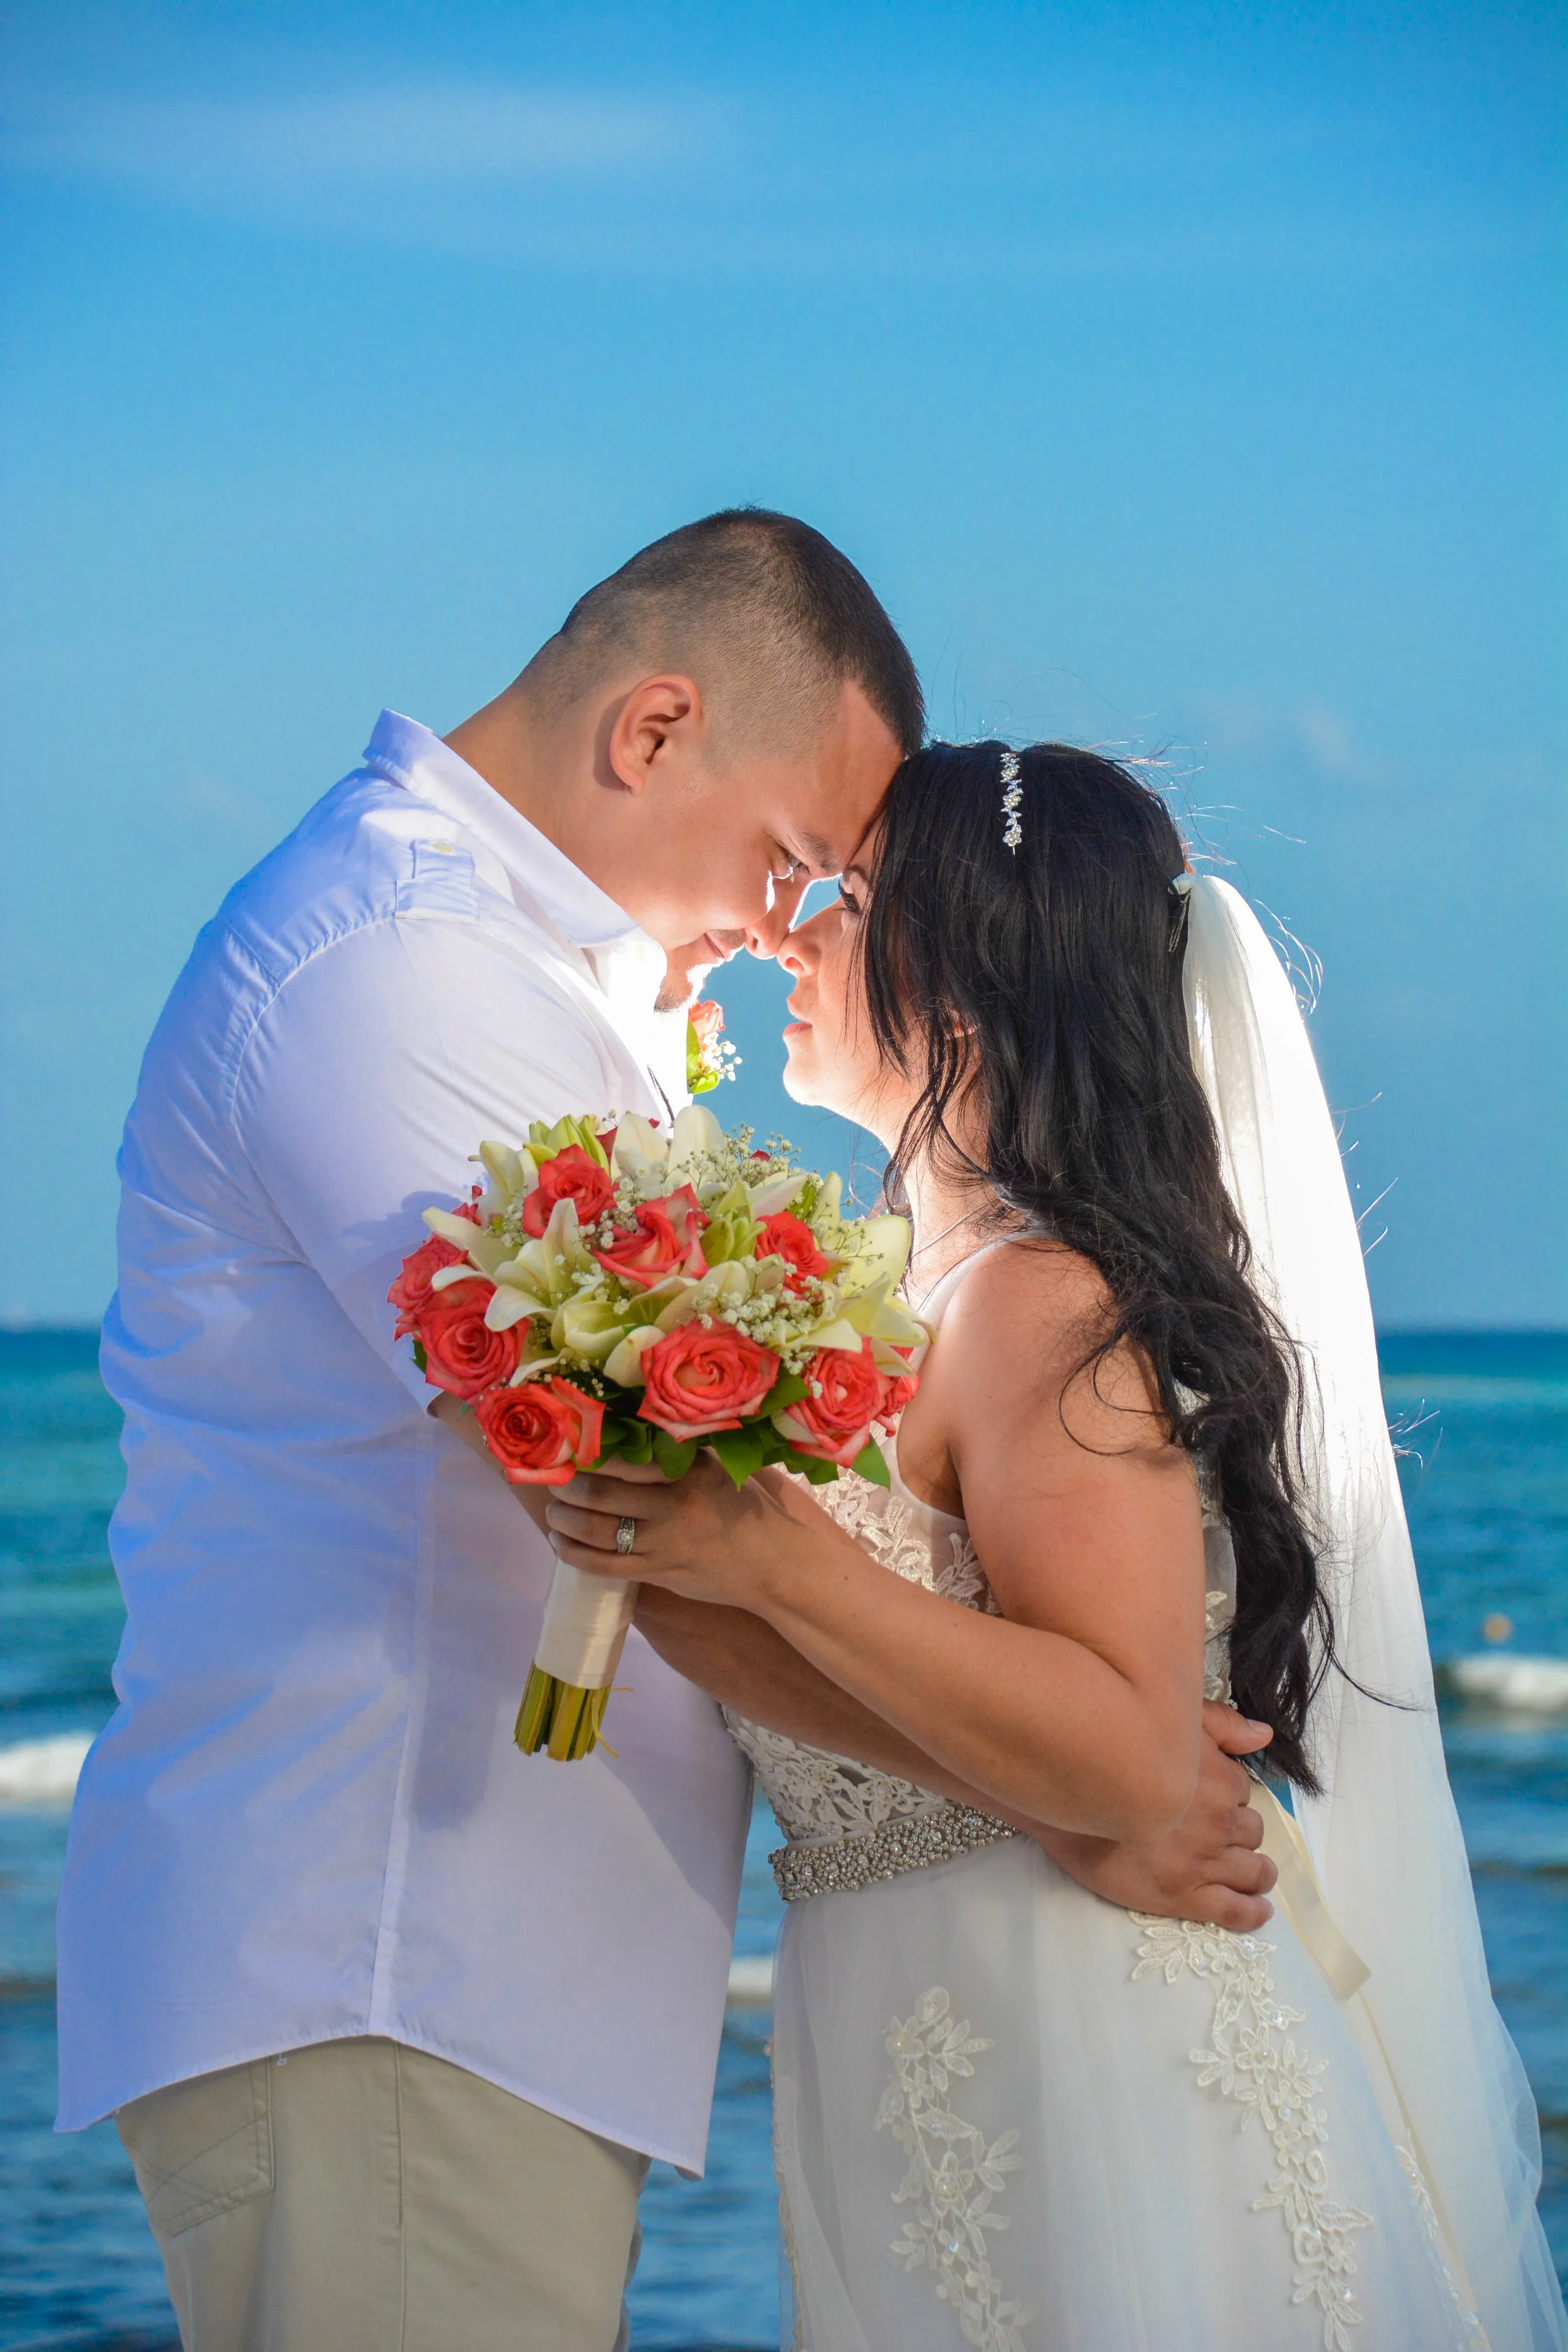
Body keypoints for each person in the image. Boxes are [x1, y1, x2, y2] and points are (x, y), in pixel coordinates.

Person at [57, 524, 1277, 2352]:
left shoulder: (520, 981)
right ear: (651, 730)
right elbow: (630, 1511)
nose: (794, 928)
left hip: (474, 1984)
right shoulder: (404, 969)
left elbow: (703, 1525)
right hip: (394, 1955)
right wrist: (1069, 1793)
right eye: (794, 861)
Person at [549, 742, 1568, 2350]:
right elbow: (763, 1644)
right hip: (921, 2035)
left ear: (958, 991)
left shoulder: (1041, 1303)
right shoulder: (904, 1298)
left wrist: (777, 1561)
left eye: (849, 902)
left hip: (1096, 2047)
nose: (795, 937)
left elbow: (1125, 1744)